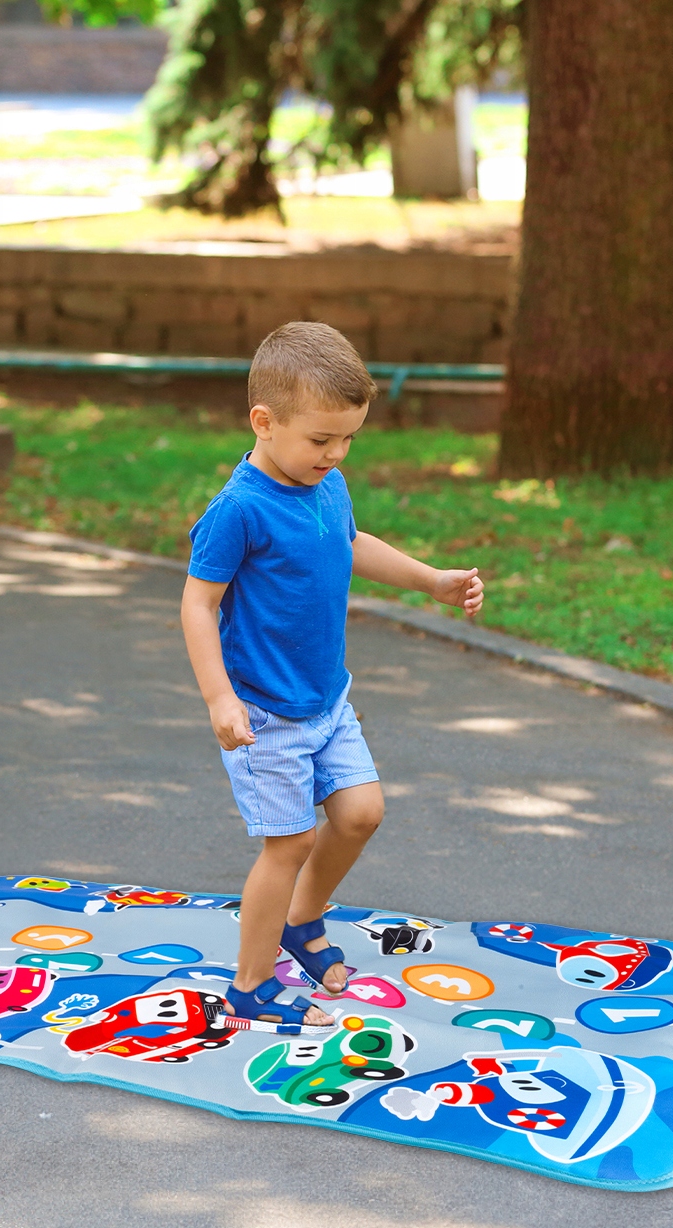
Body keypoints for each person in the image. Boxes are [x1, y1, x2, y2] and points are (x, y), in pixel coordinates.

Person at [181, 322, 484, 1029]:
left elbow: (351, 544)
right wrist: (219, 697)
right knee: (287, 843)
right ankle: (251, 984)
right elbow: (198, 604)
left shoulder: (327, 485)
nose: (336, 452)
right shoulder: (239, 510)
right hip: (265, 715)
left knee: (360, 813)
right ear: (265, 422)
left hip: (325, 701)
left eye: (348, 438)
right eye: (322, 439)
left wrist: (429, 579)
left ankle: (301, 919)